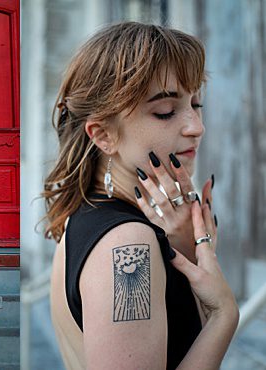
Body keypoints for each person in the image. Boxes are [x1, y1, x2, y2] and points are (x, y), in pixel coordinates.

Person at [42, 22, 236, 369]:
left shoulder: (83, 216)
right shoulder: (128, 243)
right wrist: (223, 315)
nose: (196, 126)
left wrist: (185, 252)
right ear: (103, 134)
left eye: (196, 103)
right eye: (165, 111)